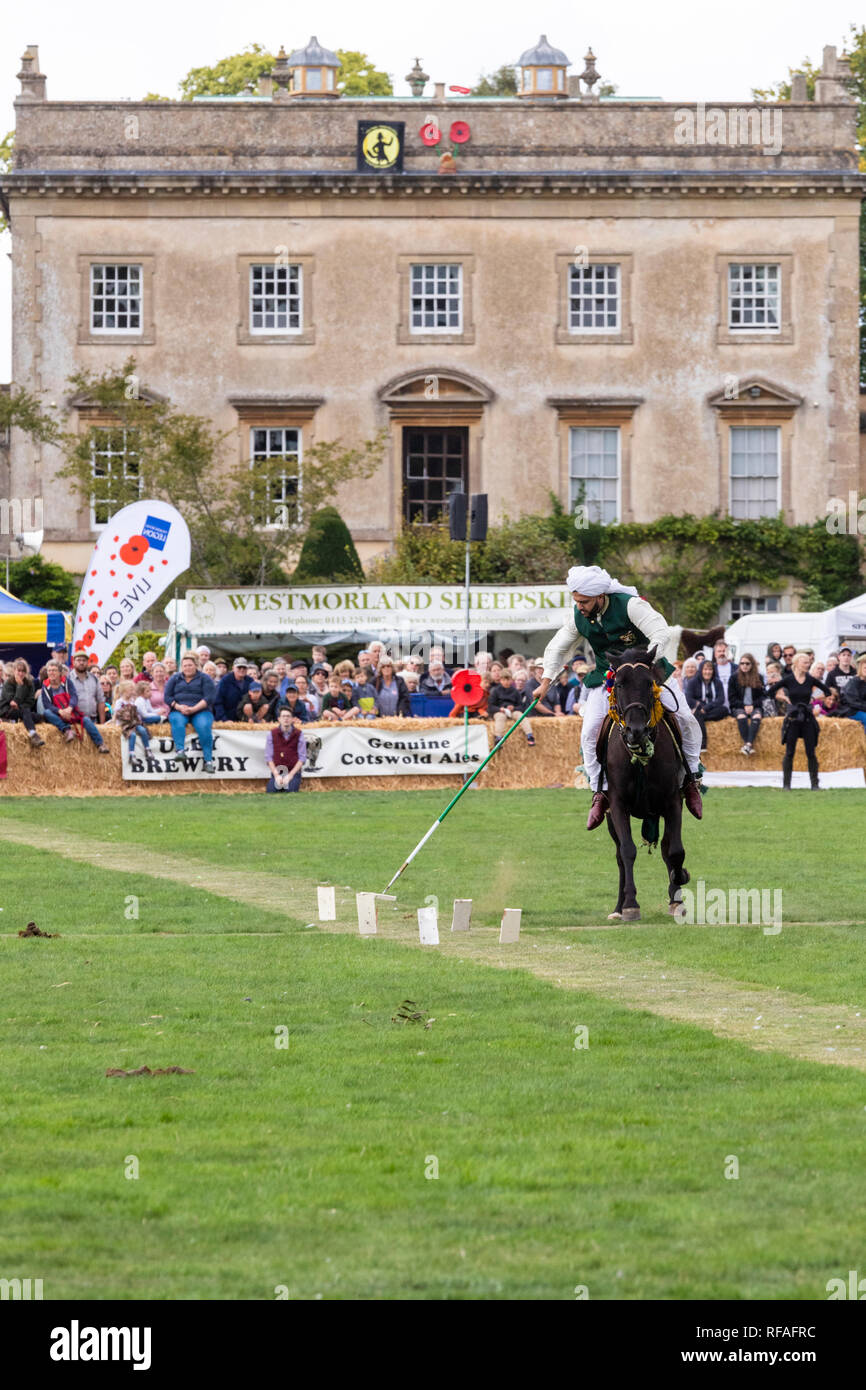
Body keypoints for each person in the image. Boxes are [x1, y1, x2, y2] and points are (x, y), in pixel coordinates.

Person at [538, 565, 704, 827]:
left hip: (649, 670)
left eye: (584, 601)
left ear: (600, 596)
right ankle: (600, 791)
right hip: (610, 677)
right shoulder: (578, 615)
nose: (579, 605)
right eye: (576, 600)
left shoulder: (631, 605)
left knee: (684, 716)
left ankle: (691, 779)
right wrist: (546, 680)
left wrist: (646, 661)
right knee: (590, 730)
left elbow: (660, 632)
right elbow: (558, 646)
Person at [765, 652, 830, 789]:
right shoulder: (788, 680)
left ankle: (814, 784)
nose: (808, 664)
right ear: (796, 664)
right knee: (789, 752)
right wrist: (784, 698)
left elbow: (827, 691)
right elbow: (770, 692)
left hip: (807, 718)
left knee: (810, 752)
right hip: (793, 718)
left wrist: (813, 699)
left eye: (808, 662)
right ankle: (786, 785)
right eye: (805, 662)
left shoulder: (811, 679)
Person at [38, 660, 110, 752]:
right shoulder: (45, 686)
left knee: (86, 720)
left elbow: (74, 696)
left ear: (59, 672)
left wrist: (69, 708)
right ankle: (67, 730)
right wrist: (60, 712)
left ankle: (100, 744)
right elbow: (47, 704)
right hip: (58, 714)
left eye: (54, 670)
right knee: (47, 713)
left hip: (71, 711)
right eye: (49, 670)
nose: (51, 673)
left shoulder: (67, 682)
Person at [164, 653, 217, 773]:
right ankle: (180, 751)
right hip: (179, 709)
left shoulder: (205, 678)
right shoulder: (175, 678)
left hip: (201, 710)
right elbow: (167, 697)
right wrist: (178, 706)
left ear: (196, 665)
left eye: (190, 665)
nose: (187, 668)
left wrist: (193, 709)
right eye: (185, 665)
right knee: (177, 721)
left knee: (203, 726)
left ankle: (208, 761)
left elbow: (209, 697)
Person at [684, 659, 728, 750]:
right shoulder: (693, 682)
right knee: (698, 713)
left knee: (724, 710)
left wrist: (707, 708)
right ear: (701, 670)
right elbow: (689, 698)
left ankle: (701, 717)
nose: (707, 672)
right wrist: (701, 707)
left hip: (711, 708)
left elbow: (721, 699)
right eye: (705, 669)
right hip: (699, 708)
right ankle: (703, 744)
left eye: (710, 669)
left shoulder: (717, 682)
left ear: (713, 671)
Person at [0, 658, 45, 746]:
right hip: (6, 710)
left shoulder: (29, 683)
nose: (21, 673)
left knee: (38, 717)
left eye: (23, 671)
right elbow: (12, 702)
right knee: (26, 711)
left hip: (21, 710)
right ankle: (33, 734)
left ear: (26, 672)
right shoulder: (8, 683)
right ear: (14, 671)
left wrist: (20, 706)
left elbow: (30, 701)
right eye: (19, 671)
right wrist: (20, 686)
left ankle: (19, 721)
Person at [728, 652, 766, 756]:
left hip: (755, 706)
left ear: (752, 665)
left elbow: (763, 697)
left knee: (757, 716)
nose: (744, 666)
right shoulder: (734, 678)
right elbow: (732, 698)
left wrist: (752, 705)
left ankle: (748, 744)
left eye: (747, 663)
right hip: (739, 706)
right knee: (741, 716)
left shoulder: (759, 678)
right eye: (742, 663)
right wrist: (744, 706)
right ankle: (748, 745)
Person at [488, 667, 535, 746]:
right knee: (500, 717)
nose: (506, 682)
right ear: (500, 680)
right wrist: (499, 709)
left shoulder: (515, 691)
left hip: (512, 711)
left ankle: (529, 735)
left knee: (520, 715)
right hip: (500, 711)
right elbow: (491, 706)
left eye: (508, 679)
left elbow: (521, 706)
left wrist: (514, 708)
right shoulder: (495, 691)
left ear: (512, 680)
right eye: (504, 680)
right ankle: (498, 737)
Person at [264, 707, 307, 792]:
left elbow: (302, 758)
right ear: (279, 719)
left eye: (288, 716)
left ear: (292, 719)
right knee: (271, 791)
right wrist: (276, 775)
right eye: (283, 716)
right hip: (278, 772)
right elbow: (268, 757)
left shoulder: (299, 734)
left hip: (293, 773)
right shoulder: (272, 734)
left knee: (290, 790)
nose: (286, 718)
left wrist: (290, 776)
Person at [113, 681, 154, 761]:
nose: (133, 692)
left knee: (142, 730)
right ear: (124, 691)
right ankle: (132, 755)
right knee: (133, 735)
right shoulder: (120, 702)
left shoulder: (132, 701)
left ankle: (147, 749)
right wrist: (117, 723)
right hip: (125, 724)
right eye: (131, 690)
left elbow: (136, 713)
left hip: (133, 723)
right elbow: (117, 714)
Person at [68, 649, 108, 730]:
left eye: (84, 660)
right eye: (78, 660)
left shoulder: (94, 679)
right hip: (74, 723)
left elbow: (101, 701)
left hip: (93, 720)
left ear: (87, 662)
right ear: (73, 662)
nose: (81, 662)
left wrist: (102, 725)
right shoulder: (68, 679)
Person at [214, 657, 252, 721]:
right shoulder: (224, 681)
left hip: (245, 719)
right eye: (239, 667)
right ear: (233, 668)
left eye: (244, 667)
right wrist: (224, 719)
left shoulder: (250, 681)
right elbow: (218, 702)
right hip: (228, 717)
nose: (242, 669)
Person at [838, 654, 866, 733]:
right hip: (851, 710)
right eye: (865, 668)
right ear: (860, 668)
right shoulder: (854, 682)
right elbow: (853, 701)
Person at [712, 639, 734, 708]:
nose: (722, 653)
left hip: (734, 705)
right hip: (718, 706)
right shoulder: (710, 669)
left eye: (724, 651)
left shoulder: (736, 668)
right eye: (719, 651)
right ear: (715, 654)